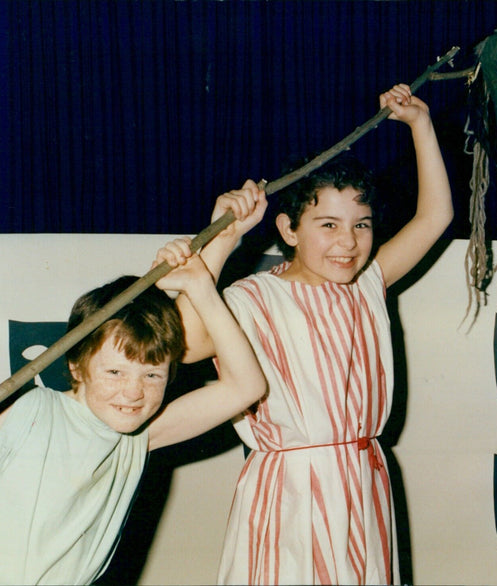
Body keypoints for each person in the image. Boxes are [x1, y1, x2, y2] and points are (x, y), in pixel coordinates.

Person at [165, 83, 453, 584]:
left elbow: (435, 217)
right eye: (328, 225)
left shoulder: (367, 283)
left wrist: (420, 126)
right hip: (290, 492)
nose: (348, 243)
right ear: (288, 229)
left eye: (361, 225)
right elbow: (186, 344)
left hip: (363, 482)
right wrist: (223, 237)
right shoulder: (251, 298)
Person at [0, 247, 266, 585]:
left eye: (152, 375)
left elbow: (246, 387)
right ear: (76, 365)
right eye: (115, 372)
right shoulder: (28, 412)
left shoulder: (137, 438)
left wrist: (201, 288)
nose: (134, 392)